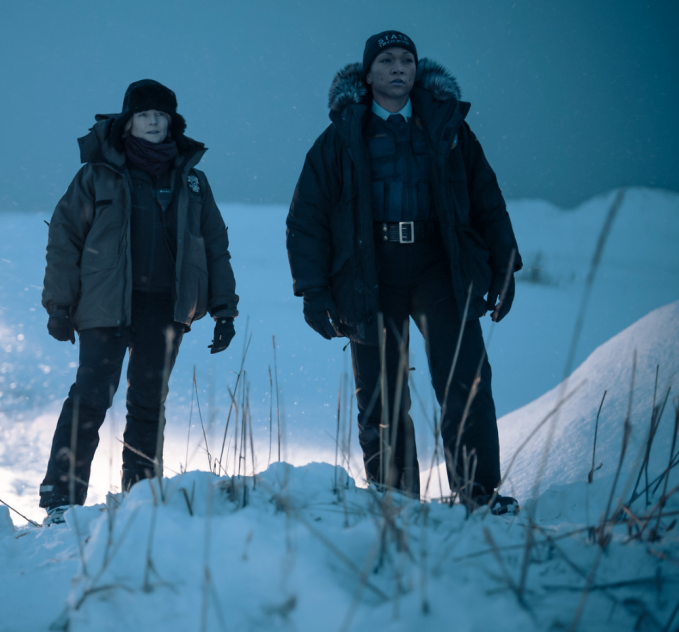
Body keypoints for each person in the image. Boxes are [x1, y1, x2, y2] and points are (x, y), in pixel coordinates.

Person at [286, 31, 521, 514]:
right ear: (367, 73)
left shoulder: (448, 127)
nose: (398, 68)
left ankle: (479, 494)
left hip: (440, 266)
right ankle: (398, 501)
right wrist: (313, 290)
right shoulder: (341, 137)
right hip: (372, 272)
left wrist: (505, 265)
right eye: (387, 60)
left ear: (417, 70)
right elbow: (307, 217)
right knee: (381, 393)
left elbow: (486, 199)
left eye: (407, 60)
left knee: (465, 379)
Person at [40, 79, 239, 523]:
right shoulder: (98, 174)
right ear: (128, 121)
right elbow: (64, 239)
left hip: (166, 308)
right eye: (145, 114)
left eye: (161, 115)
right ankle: (60, 500)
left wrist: (224, 308)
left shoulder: (192, 181)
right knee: (90, 398)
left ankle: (141, 501)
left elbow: (214, 245)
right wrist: (58, 305)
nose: (153, 121)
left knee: (148, 403)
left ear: (172, 122)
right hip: (105, 306)